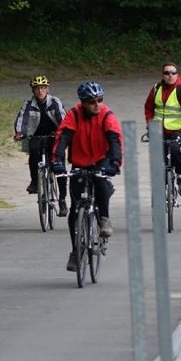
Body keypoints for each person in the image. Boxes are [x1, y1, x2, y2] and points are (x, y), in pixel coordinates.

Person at [51, 81, 122, 272]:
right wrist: (57, 161)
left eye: (99, 100)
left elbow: (115, 139)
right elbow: (62, 137)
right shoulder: (73, 115)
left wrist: (115, 163)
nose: (96, 104)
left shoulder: (107, 115)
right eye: (92, 101)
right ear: (83, 102)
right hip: (80, 162)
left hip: (102, 159)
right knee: (75, 209)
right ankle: (76, 251)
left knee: (100, 180)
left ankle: (104, 219)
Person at [13, 75, 69, 217]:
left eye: (43, 88)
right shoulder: (28, 104)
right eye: (37, 88)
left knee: (59, 166)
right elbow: (22, 118)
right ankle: (35, 182)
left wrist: (63, 134)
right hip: (36, 136)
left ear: (47, 89)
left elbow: (62, 119)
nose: (40, 91)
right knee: (33, 155)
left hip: (54, 136)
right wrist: (20, 133)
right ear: (33, 90)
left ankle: (62, 200)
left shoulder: (54, 102)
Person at [143, 61, 181, 196]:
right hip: (159, 130)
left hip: (177, 129)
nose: (170, 75)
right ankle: (163, 185)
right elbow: (149, 108)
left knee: (174, 150)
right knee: (158, 157)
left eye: (173, 73)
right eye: (167, 73)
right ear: (162, 75)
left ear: (177, 74)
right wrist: (150, 125)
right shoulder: (156, 88)